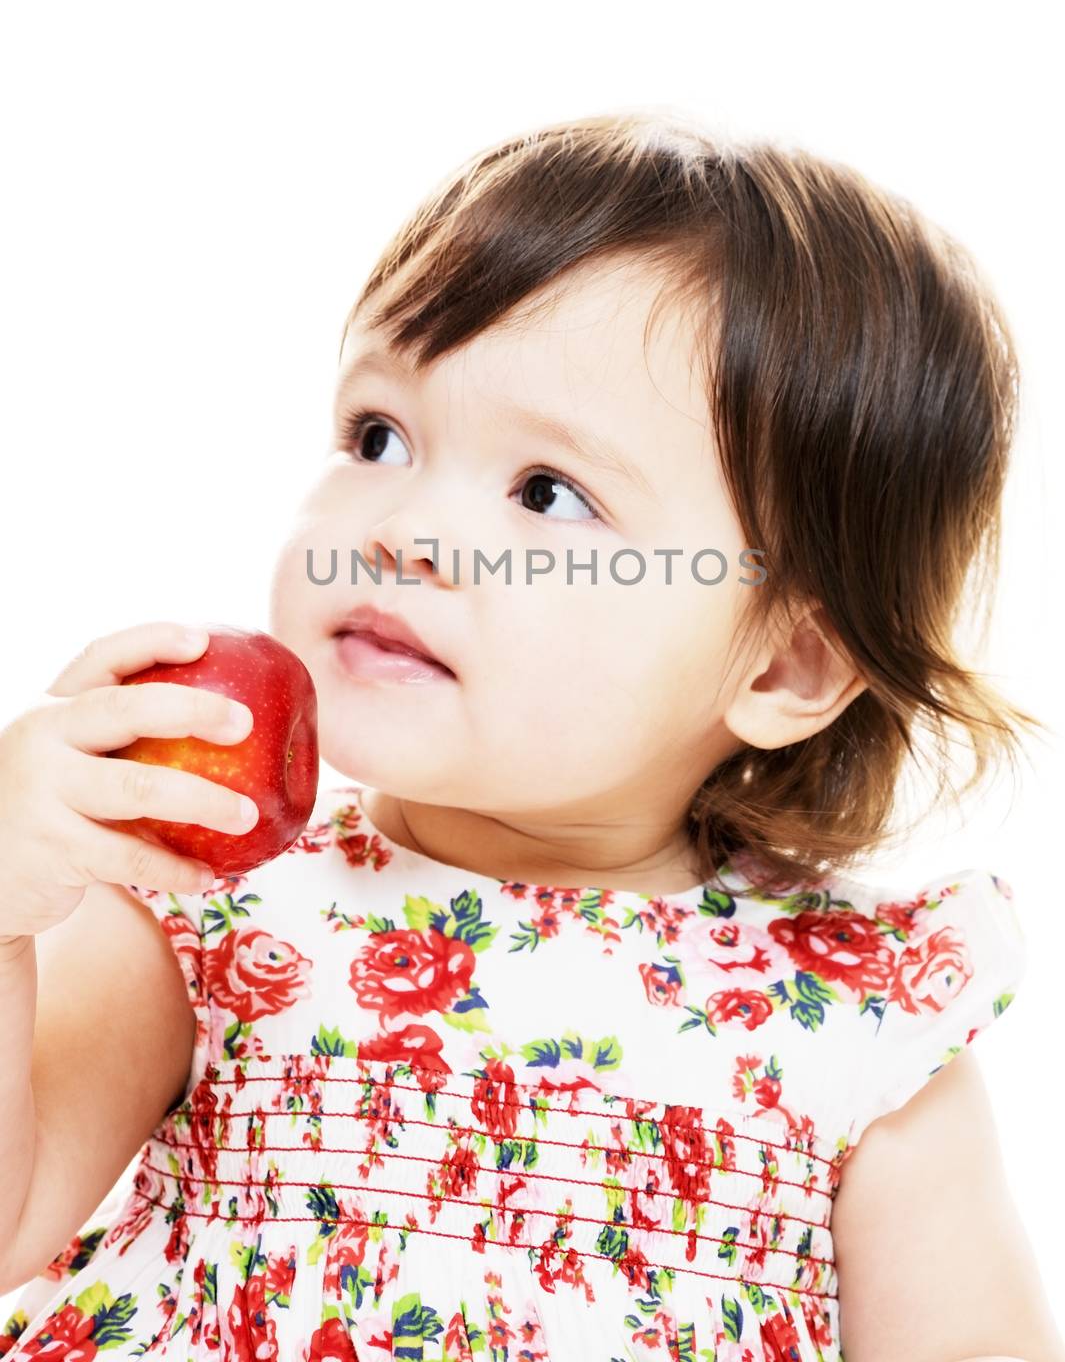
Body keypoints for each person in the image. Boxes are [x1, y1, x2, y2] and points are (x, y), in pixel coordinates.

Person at [0, 111, 1060, 1361]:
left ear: (784, 662)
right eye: (377, 436)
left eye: (546, 493)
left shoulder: (854, 1025)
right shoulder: (210, 904)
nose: (403, 529)